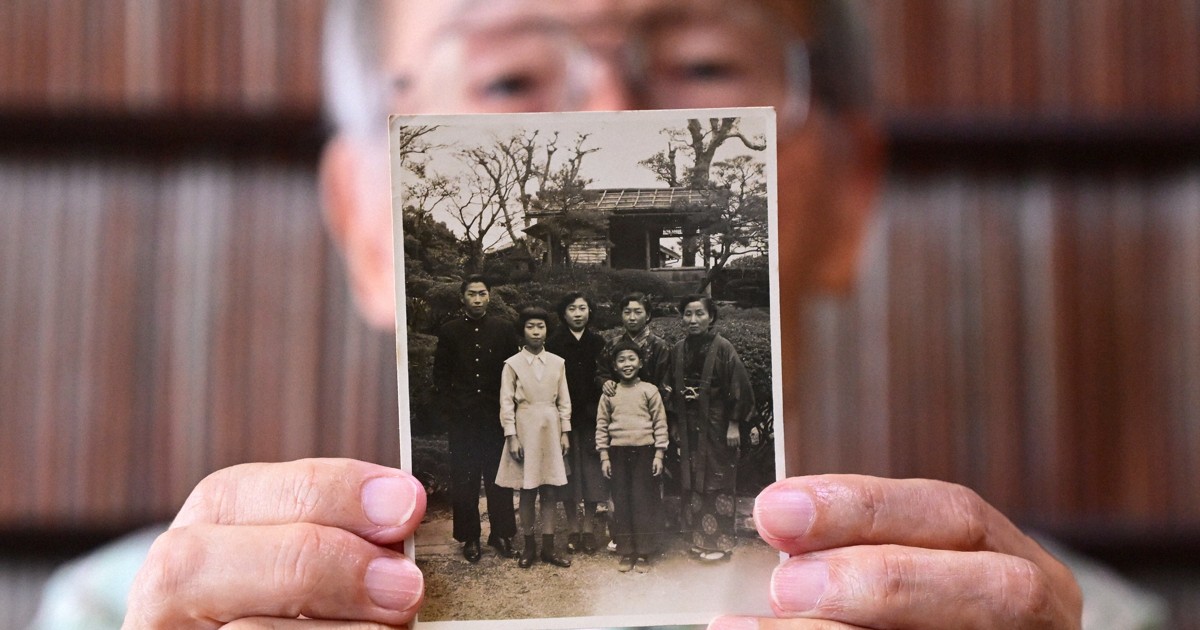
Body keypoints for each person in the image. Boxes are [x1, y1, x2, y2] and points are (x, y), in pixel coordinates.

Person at [50, 1, 1092, 628]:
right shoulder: (122, 611)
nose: (612, 116)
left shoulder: (1060, 612)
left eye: (704, 67)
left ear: (851, 195)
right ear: (364, 224)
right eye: (508, 75)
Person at [432, 275, 519, 563]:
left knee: (499, 477)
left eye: (482, 293)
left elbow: (513, 373)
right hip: (463, 419)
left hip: (495, 417)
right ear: (463, 298)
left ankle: (502, 533)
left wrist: (509, 412)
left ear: (489, 296)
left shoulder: (504, 329)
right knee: (465, 477)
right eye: (472, 294)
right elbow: (441, 376)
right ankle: (469, 537)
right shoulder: (450, 331)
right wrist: (452, 409)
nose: (478, 299)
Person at [665, 295, 756, 563]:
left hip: (717, 424)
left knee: (718, 479)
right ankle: (697, 539)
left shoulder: (723, 348)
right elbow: (667, 387)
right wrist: (674, 422)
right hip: (687, 423)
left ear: (711, 317)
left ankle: (720, 543)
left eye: (699, 314)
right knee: (692, 477)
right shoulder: (678, 350)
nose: (693, 320)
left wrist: (734, 424)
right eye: (688, 314)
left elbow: (739, 387)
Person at [494, 307, 575, 569]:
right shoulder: (512, 364)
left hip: (550, 428)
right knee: (527, 490)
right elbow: (506, 403)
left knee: (550, 489)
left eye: (541, 326)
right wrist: (511, 436)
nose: (536, 332)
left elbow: (564, 401)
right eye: (530, 326)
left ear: (547, 330)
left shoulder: (558, 362)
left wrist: (565, 432)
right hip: (525, 428)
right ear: (523, 331)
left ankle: (548, 548)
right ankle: (529, 546)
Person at [596, 340, 669, 573]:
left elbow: (660, 423)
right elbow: (602, 426)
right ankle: (627, 551)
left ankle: (644, 552)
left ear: (640, 363)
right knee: (622, 501)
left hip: (645, 452)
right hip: (618, 453)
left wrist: (659, 454)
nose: (627, 364)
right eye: (621, 360)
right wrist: (604, 456)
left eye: (631, 359)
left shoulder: (650, 390)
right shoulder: (610, 393)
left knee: (643, 501)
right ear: (614, 366)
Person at [546, 292, 609, 554]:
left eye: (583, 308)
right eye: (572, 308)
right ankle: (573, 528)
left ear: (589, 311)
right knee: (568, 473)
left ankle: (589, 529)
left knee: (592, 473)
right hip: (564, 418)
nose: (578, 313)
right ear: (563, 313)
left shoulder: (599, 342)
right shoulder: (553, 343)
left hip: (592, 417)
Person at [596, 293, 671, 398]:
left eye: (638, 312)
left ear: (648, 316)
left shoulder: (659, 346)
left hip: (651, 403)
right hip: (618, 403)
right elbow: (601, 373)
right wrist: (605, 382)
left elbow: (665, 384)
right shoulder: (612, 345)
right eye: (627, 312)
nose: (632, 317)